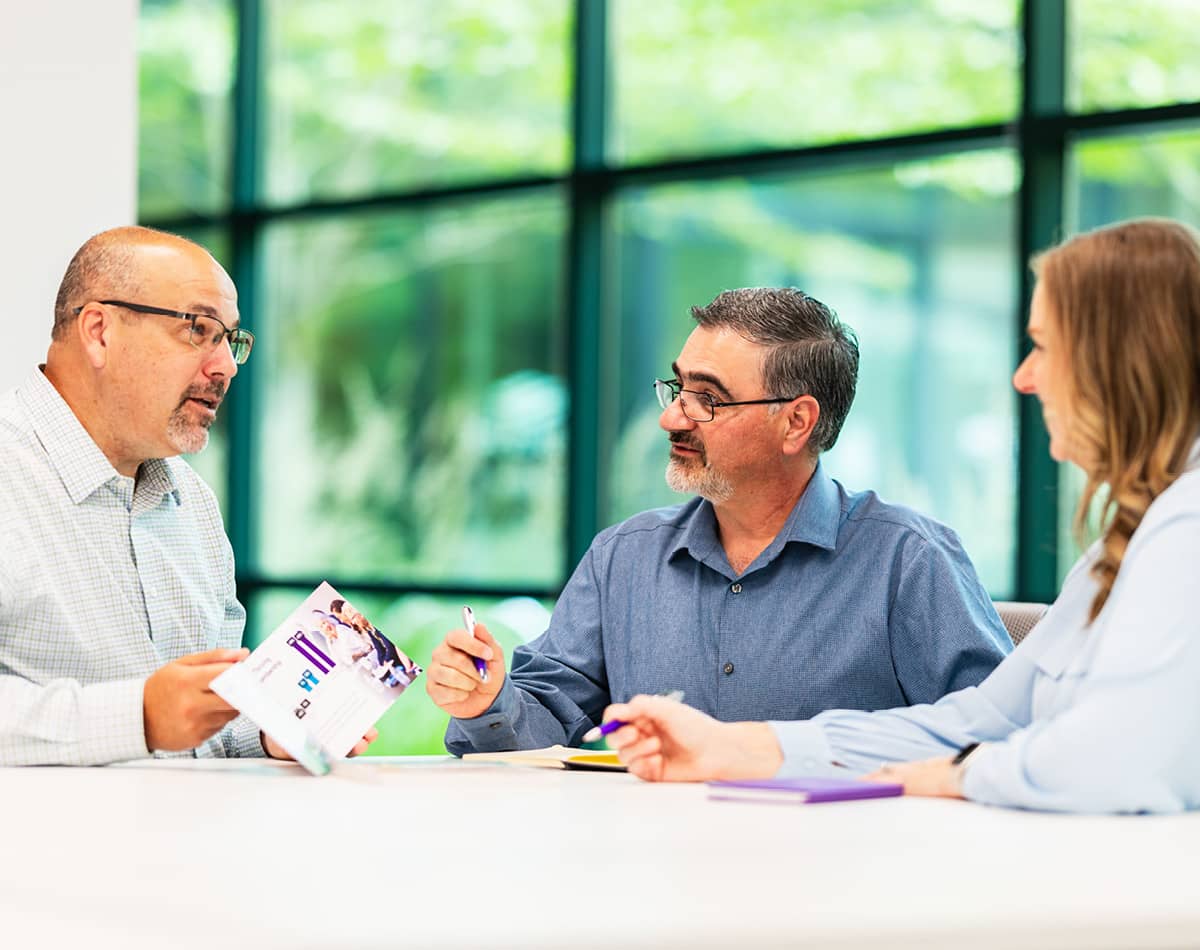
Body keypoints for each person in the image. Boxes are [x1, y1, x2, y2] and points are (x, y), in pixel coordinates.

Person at [602, 218, 1200, 815]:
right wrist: (735, 745)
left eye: (1043, 347)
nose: (1024, 377)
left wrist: (953, 777)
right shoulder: (1130, 542)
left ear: (1119, 361)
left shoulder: (1186, 528)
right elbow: (984, 717)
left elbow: (1105, 761)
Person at [426, 287, 1011, 755]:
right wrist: (486, 699)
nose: (672, 419)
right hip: (651, 874)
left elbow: (997, 733)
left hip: (843, 880)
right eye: (678, 387)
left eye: (707, 398)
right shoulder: (623, 558)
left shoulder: (908, 559)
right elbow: (548, 718)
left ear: (796, 423)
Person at [0, 226, 374, 765]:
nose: (223, 366)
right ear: (100, 331)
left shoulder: (192, 503)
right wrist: (138, 718)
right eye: (198, 329)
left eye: (230, 340)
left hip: (192, 843)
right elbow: (157, 719)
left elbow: (207, 724)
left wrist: (270, 731)